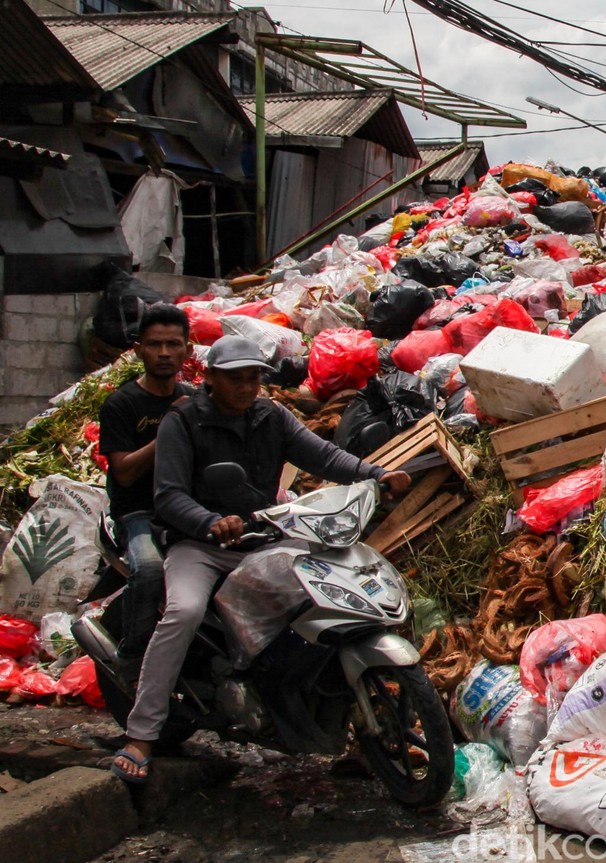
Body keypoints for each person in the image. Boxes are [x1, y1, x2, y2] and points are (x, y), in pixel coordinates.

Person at [111, 334, 411, 783]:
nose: (247, 387)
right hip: (200, 545)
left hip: (264, 538)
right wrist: (210, 521)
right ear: (210, 378)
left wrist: (376, 475)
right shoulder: (182, 420)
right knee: (184, 611)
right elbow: (168, 496)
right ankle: (142, 733)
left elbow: (323, 454)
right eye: (236, 379)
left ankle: (358, 729)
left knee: (327, 603)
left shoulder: (271, 416)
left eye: (254, 378)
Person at [99, 303, 193, 688]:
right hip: (136, 514)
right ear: (138, 349)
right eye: (155, 344)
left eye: (174, 344)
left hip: (184, 510)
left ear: (188, 349)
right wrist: (171, 427)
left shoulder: (192, 398)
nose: (165, 353)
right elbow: (123, 471)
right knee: (150, 569)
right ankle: (132, 657)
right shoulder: (122, 404)